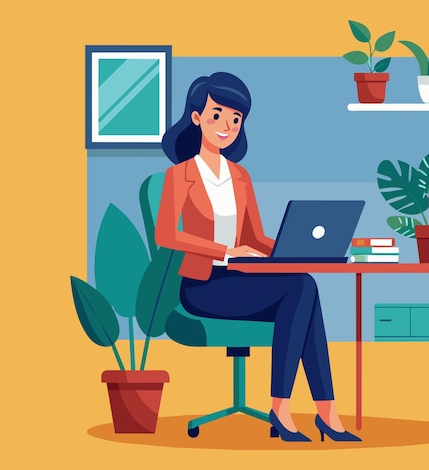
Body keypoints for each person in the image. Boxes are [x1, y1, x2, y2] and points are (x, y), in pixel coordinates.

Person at [155, 71, 360, 442]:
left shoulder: (240, 177)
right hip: (202, 285)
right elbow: (167, 234)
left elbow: (253, 237)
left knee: (304, 287)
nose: (227, 126)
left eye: (236, 119)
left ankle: (324, 413)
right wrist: (225, 251)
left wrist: (295, 251)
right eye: (217, 115)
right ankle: (289, 409)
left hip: (241, 281)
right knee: (302, 290)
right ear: (197, 117)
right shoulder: (179, 175)